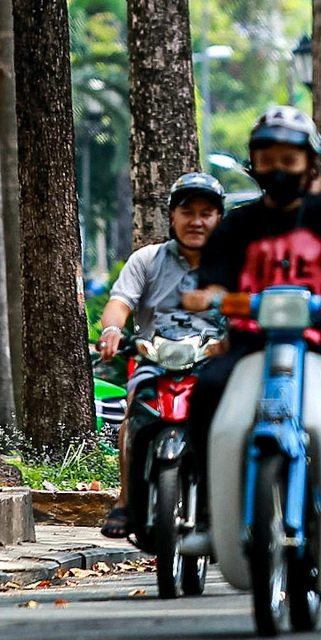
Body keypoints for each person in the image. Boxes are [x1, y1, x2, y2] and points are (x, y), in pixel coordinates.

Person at [176, 106, 321, 562]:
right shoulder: (237, 224)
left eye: (289, 159)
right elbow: (214, 280)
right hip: (253, 341)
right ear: (254, 164)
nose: (277, 169)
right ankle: (206, 514)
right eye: (267, 159)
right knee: (206, 393)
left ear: (309, 164)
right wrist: (208, 297)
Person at [95, 172, 226, 539]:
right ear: (172, 216)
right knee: (133, 410)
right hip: (155, 358)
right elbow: (120, 303)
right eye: (188, 212)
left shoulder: (232, 266)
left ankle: (227, 500)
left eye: (206, 213)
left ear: (219, 219)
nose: (196, 221)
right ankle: (124, 500)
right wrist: (112, 331)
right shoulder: (147, 260)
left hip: (214, 363)